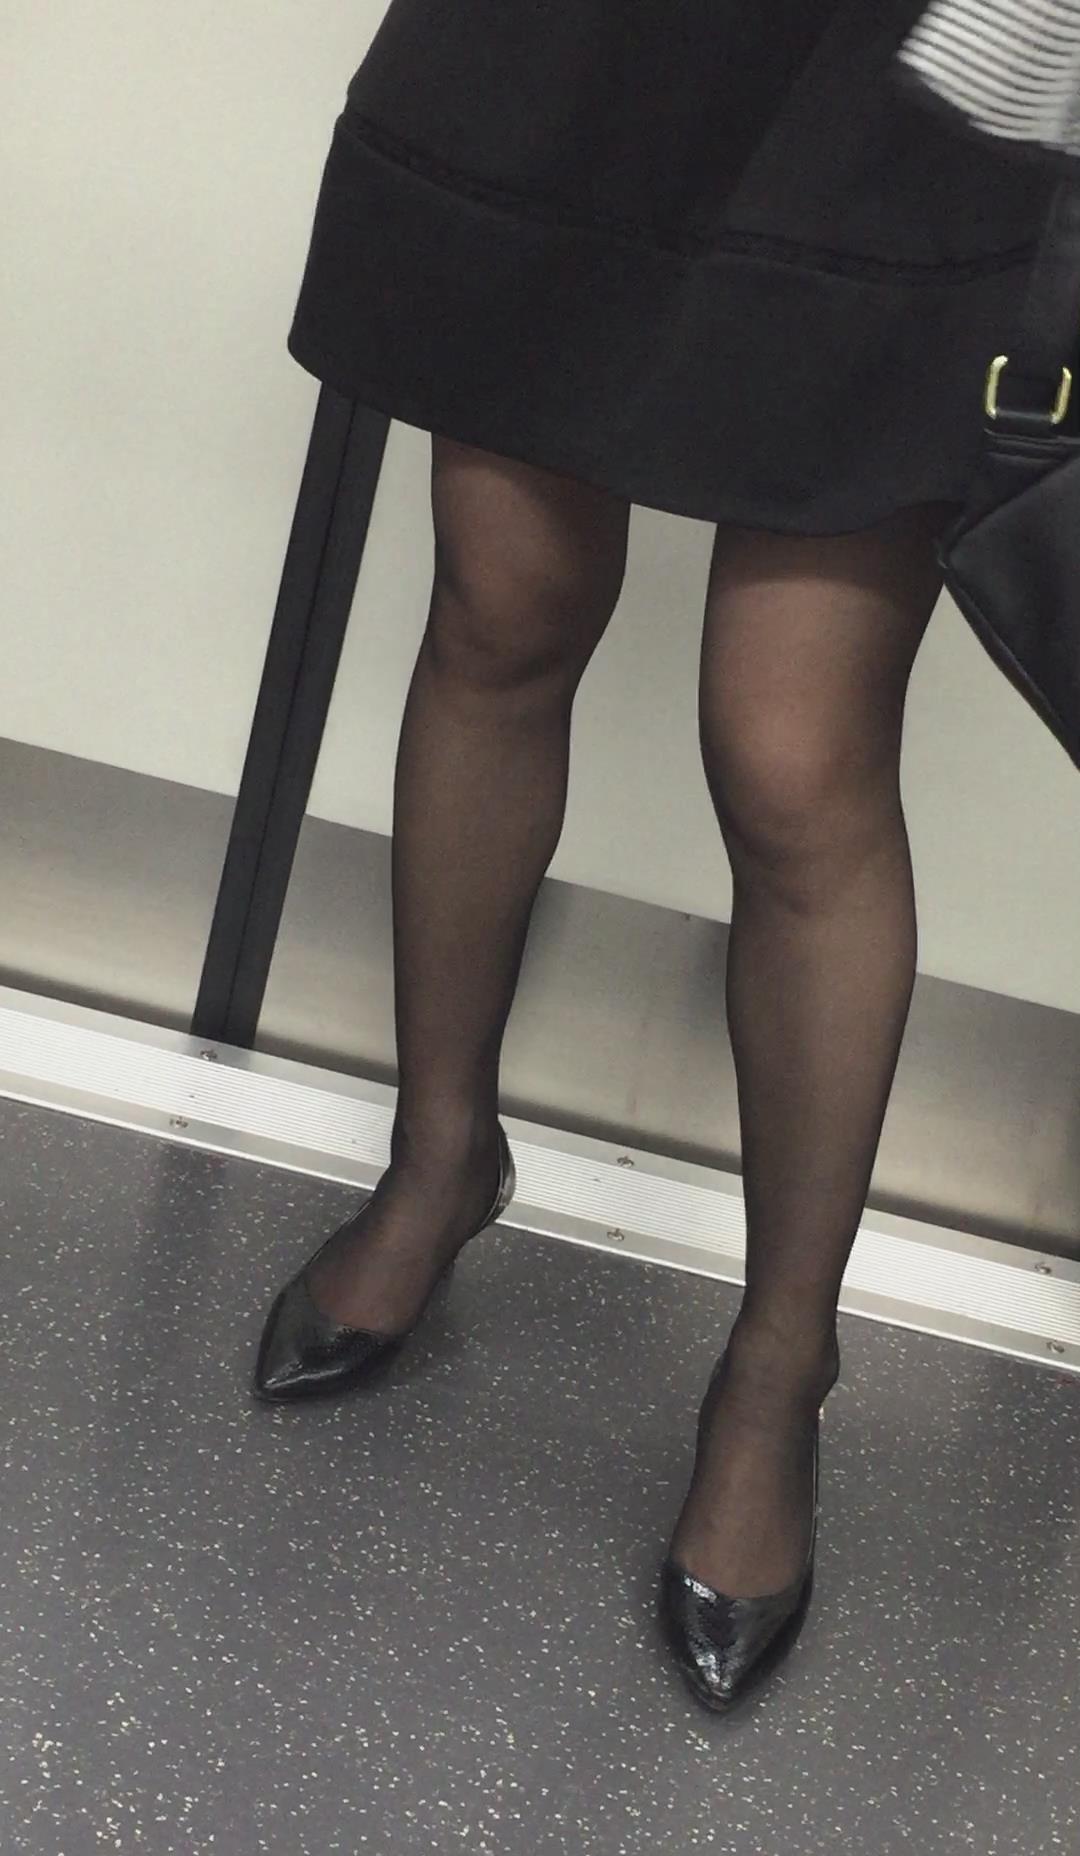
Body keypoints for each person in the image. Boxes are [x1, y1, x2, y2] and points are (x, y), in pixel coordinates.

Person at [252, 0, 1059, 1714]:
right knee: (502, 608)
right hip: (579, 48)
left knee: (793, 756)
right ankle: (438, 1160)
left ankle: (779, 1368)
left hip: (905, 77)